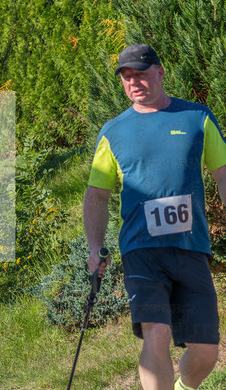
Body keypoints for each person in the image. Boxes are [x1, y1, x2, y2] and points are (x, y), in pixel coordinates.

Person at [83, 44, 226, 390]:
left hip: (191, 247)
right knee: (156, 332)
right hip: (141, 250)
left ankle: (183, 386)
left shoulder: (196, 117)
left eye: (141, 74)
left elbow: (222, 174)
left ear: (160, 73)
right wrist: (94, 246)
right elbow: (97, 194)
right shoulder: (113, 131)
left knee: (206, 350)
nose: (134, 82)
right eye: (126, 77)